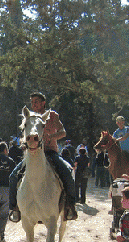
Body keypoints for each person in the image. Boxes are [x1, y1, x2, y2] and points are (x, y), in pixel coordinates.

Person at [9, 92, 78, 222]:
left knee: (67, 173)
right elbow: (24, 134)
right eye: (32, 102)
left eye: (36, 101)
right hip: (33, 153)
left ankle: (69, 206)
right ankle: (14, 208)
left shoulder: (52, 116)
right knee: (13, 176)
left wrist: (51, 137)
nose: (33, 104)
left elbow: (63, 132)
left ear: (43, 103)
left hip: (50, 152)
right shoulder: (29, 116)